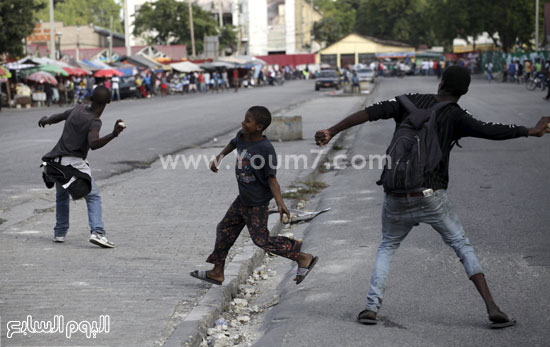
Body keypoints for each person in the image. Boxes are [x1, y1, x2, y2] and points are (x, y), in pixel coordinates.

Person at [315, 66, 550, 328]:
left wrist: (332, 130)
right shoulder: (456, 116)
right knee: (461, 245)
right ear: (464, 91)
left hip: (395, 194)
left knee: (388, 246)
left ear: (440, 83)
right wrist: (531, 130)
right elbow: (491, 130)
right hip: (430, 195)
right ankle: (492, 307)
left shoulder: (407, 101)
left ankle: (371, 306)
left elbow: (368, 113)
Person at [190, 106, 318, 286]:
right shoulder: (242, 136)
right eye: (244, 119)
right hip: (243, 199)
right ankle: (217, 271)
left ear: (259, 127)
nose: (243, 122)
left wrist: (280, 202)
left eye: (248, 121)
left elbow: (272, 179)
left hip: (256, 203)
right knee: (224, 229)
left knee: (261, 240)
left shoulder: (265, 149)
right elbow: (233, 143)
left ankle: (302, 257)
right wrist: (219, 156)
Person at [38, 86, 125, 248]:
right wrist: (114, 134)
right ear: (108, 102)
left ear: (91, 98)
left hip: (55, 162)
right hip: (71, 164)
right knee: (93, 196)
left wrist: (46, 119)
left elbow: (61, 116)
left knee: (62, 196)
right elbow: (93, 144)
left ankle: (59, 233)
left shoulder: (77, 109)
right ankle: (98, 233)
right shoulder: (94, 121)